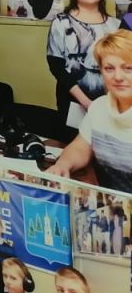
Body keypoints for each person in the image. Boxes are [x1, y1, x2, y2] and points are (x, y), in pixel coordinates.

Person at [47, 29, 132, 191]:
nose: (118, 77)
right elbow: (81, 147)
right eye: (109, 68)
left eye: (128, 68)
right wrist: (63, 164)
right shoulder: (99, 107)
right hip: (110, 202)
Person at [46, 0, 120, 137]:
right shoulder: (61, 23)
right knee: (74, 144)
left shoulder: (116, 25)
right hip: (73, 102)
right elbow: (56, 66)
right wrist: (86, 102)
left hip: (110, 104)